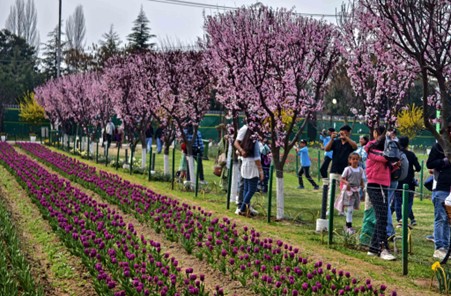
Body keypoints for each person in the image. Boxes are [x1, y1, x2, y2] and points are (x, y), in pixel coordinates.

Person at [364, 126, 396, 260]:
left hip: (383, 184)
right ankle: (383, 248)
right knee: (382, 215)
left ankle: (373, 247)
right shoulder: (371, 148)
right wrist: (384, 138)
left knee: (381, 216)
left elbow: (385, 167)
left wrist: (394, 166)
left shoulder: (385, 150)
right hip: (375, 185)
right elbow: (381, 157)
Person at [427, 119, 451, 260]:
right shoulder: (438, 147)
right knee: (441, 217)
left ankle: (447, 246)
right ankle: (439, 246)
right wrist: (444, 161)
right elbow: (430, 163)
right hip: (441, 187)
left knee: (449, 219)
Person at [324, 125, 358, 210]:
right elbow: (326, 149)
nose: (342, 133)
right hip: (334, 169)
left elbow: (355, 147)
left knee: (344, 192)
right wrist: (332, 139)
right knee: (331, 191)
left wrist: (347, 138)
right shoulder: (336, 142)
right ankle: (330, 209)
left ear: (348, 133)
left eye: (345, 131)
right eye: (342, 131)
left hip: (345, 171)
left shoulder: (350, 143)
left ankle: (341, 209)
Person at [235, 127, 264, 216]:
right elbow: (257, 158)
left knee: (246, 188)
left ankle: (244, 208)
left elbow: (238, 150)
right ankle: (242, 208)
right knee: (251, 189)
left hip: (245, 164)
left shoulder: (246, 140)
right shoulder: (254, 142)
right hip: (252, 166)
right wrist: (261, 171)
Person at [394, 136, 421, 228]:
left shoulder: (396, 154)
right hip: (409, 182)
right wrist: (412, 170)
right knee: (408, 202)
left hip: (398, 181)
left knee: (398, 201)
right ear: (407, 144)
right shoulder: (411, 154)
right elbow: (418, 168)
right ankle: (405, 219)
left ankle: (399, 220)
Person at [335, 152, 364, 235]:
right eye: (353, 159)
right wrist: (347, 183)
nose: (355, 161)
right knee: (350, 209)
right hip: (349, 191)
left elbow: (361, 180)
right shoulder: (348, 169)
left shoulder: (360, 170)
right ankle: (348, 226)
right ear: (350, 160)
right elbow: (342, 178)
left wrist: (363, 188)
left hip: (356, 191)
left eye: (357, 159)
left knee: (352, 208)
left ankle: (348, 225)